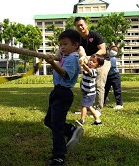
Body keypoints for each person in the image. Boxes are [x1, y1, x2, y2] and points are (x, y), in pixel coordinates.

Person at [44, 29, 83, 166]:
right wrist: (56, 56)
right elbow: (59, 57)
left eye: (65, 44)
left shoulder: (73, 58)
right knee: (48, 121)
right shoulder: (64, 56)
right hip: (56, 92)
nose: (62, 47)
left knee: (57, 127)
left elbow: (65, 74)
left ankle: (58, 157)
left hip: (64, 93)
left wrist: (52, 63)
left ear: (75, 45)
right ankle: (71, 130)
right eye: (60, 45)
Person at [75, 17, 111, 115]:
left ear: (86, 25)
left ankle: (98, 109)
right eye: (78, 26)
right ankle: (86, 107)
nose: (80, 27)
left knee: (99, 84)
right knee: (84, 84)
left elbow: (103, 50)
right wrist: (83, 57)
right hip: (90, 61)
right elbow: (81, 51)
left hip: (103, 61)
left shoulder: (95, 35)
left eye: (82, 24)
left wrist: (89, 57)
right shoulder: (79, 40)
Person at [76, 54, 104, 126]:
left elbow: (88, 70)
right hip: (86, 92)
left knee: (84, 106)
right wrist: (83, 59)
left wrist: (83, 65)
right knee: (89, 107)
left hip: (90, 94)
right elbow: (84, 62)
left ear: (98, 65)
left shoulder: (94, 71)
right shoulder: (87, 67)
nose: (91, 62)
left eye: (94, 62)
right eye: (90, 60)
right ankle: (98, 120)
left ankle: (82, 120)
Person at [104, 46, 124, 110]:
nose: (113, 51)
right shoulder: (107, 58)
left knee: (117, 90)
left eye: (115, 50)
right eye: (112, 49)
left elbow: (110, 66)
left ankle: (119, 104)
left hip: (115, 76)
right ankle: (102, 102)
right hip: (108, 76)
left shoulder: (113, 59)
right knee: (105, 90)